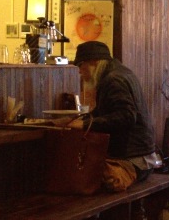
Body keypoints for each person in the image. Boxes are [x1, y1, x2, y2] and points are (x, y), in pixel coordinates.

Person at [66, 41, 161, 192]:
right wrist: (81, 120)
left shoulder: (113, 80)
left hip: (133, 159)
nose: (80, 71)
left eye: (81, 65)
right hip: (143, 156)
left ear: (94, 62)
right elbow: (105, 112)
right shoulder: (119, 73)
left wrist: (85, 124)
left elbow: (126, 117)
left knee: (79, 175)